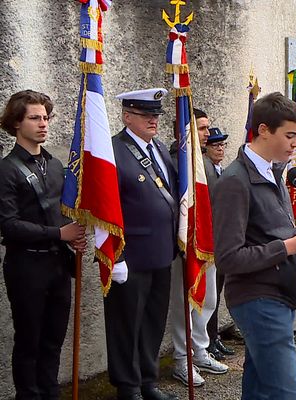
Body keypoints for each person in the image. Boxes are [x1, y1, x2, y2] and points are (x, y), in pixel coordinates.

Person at [212, 92, 296, 398]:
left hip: (279, 296)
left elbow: (272, 231)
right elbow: (229, 258)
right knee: (289, 392)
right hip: (257, 299)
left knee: (259, 389)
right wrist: (289, 247)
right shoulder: (235, 181)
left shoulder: (274, 172)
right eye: (289, 135)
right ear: (263, 130)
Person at [0, 90, 86, 399]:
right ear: (16, 123)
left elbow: (63, 215)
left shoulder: (54, 165)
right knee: (29, 342)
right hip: (26, 266)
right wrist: (59, 235)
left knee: (53, 341)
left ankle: (51, 393)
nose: (43, 124)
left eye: (46, 118)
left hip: (57, 266)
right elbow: (8, 225)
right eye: (35, 118)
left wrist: (74, 236)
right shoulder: (7, 169)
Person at [105, 88, 179, 400]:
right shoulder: (113, 152)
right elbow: (105, 208)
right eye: (145, 115)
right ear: (127, 116)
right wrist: (114, 255)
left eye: (156, 115)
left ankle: (148, 381)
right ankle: (128, 386)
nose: (153, 120)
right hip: (129, 256)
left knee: (152, 322)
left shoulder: (159, 148)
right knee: (126, 325)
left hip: (162, 252)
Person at [169, 111, 229, 388]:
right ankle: (183, 359)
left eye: (206, 128)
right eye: (200, 129)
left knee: (209, 300)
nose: (206, 133)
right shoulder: (176, 161)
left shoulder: (204, 162)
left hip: (209, 242)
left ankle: (200, 351)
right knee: (186, 304)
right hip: (186, 243)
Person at [203, 127, 236, 360]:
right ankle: (207, 340)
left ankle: (214, 337)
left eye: (223, 145)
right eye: (216, 145)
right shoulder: (205, 170)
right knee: (208, 295)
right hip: (208, 240)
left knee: (216, 292)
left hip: (221, 240)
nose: (220, 149)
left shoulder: (220, 169)